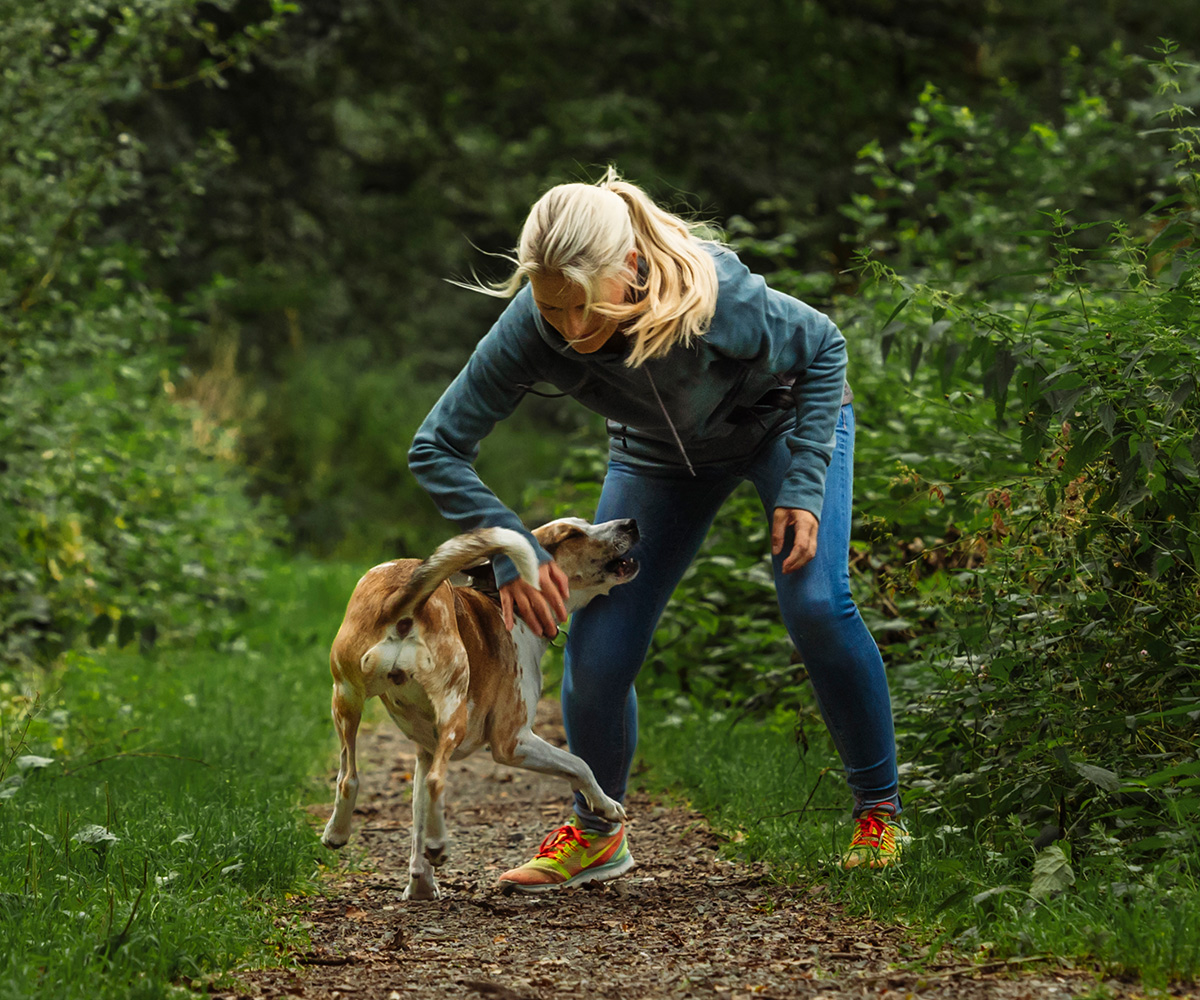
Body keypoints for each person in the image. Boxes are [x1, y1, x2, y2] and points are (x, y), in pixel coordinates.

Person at [408, 167, 903, 892]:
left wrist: (803, 482)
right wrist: (513, 551)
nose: (572, 331)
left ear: (631, 268)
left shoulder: (716, 293)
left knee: (817, 604)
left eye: (584, 305)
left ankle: (880, 817)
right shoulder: (534, 325)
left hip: (783, 428)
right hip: (660, 457)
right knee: (601, 653)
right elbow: (436, 445)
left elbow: (824, 346)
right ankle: (600, 832)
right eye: (553, 309)